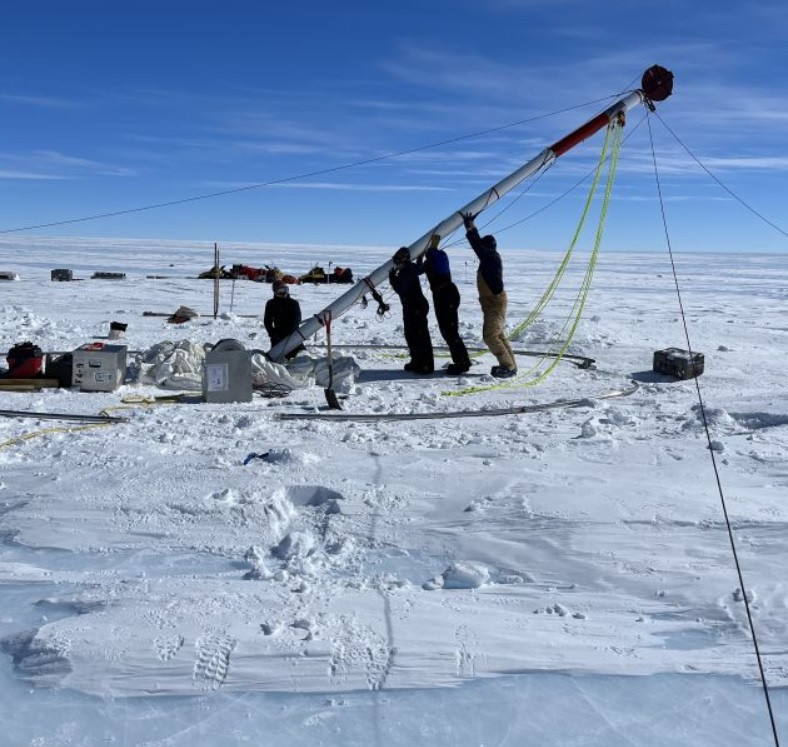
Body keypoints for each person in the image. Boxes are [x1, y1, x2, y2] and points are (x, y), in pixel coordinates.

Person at [461, 212, 517, 378]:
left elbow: (478, 246)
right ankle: (511, 366)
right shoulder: (490, 257)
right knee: (498, 335)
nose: (481, 249)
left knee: (490, 336)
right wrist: (471, 227)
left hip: (495, 303)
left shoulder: (490, 257)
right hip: (493, 302)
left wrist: (470, 228)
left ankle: (508, 367)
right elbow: (479, 247)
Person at [416, 234, 471, 374]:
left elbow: (418, 271)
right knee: (451, 330)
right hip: (450, 293)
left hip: (443, 296)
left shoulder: (432, 260)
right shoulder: (441, 257)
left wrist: (419, 258)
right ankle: (462, 361)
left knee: (449, 331)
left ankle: (462, 363)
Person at [389, 246, 434, 374]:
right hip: (412, 308)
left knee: (420, 337)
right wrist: (420, 258)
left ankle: (426, 365)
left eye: (397, 261)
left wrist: (393, 278)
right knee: (411, 336)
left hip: (416, 308)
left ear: (402, 260)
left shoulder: (406, 271)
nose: (395, 264)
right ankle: (416, 361)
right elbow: (419, 269)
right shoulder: (410, 268)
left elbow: (400, 289)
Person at [264, 280, 305, 359]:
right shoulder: (271, 304)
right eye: (280, 291)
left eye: (285, 290)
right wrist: (272, 334)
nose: (283, 293)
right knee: (276, 358)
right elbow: (267, 321)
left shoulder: (293, 303)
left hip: (293, 335)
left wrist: (291, 333)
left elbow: (297, 319)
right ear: (275, 292)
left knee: (298, 357)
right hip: (278, 336)